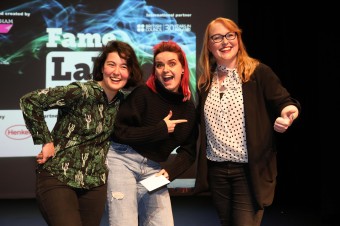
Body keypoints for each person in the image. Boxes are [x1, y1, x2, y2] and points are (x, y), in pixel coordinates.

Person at [19, 40, 144, 226]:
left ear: (130, 72)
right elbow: (29, 101)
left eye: (124, 66)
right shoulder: (81, 92)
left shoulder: (124, 102)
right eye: (111, 64)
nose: (117, 72)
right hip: (59, 177)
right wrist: (45, 140)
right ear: (102, 68)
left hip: (95, 185)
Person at [194, 17, 301, 226]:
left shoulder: (258, 73)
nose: (225, 42)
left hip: (248, 171)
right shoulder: (206, 82)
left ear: (238, 38)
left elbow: (284, 101)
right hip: (217, 172)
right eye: (217, 38)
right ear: (209, 45)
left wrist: (288, 113)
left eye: (229, 35)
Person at [105, 40, 198, 226]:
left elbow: (189, 151)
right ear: (155, 71)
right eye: (159, 65)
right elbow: (118, 131)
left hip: (153, 170)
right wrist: (160, 130)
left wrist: (170, 172)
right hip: (123, 161)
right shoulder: (143, 94)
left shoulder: (188, 109)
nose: (165, 70)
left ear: (182, 69)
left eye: (172, 63)